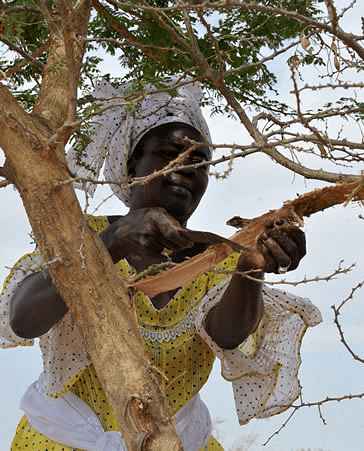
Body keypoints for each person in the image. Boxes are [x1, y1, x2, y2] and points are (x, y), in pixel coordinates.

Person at [0, 79, 322, 451]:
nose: (189, 169)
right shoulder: (79, 234)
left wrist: (252, 266)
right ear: (133, 163)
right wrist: (112, 242)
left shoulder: (220, 259)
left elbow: (228, 335)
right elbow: (22, 320)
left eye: (201, 163)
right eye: (171, 153)